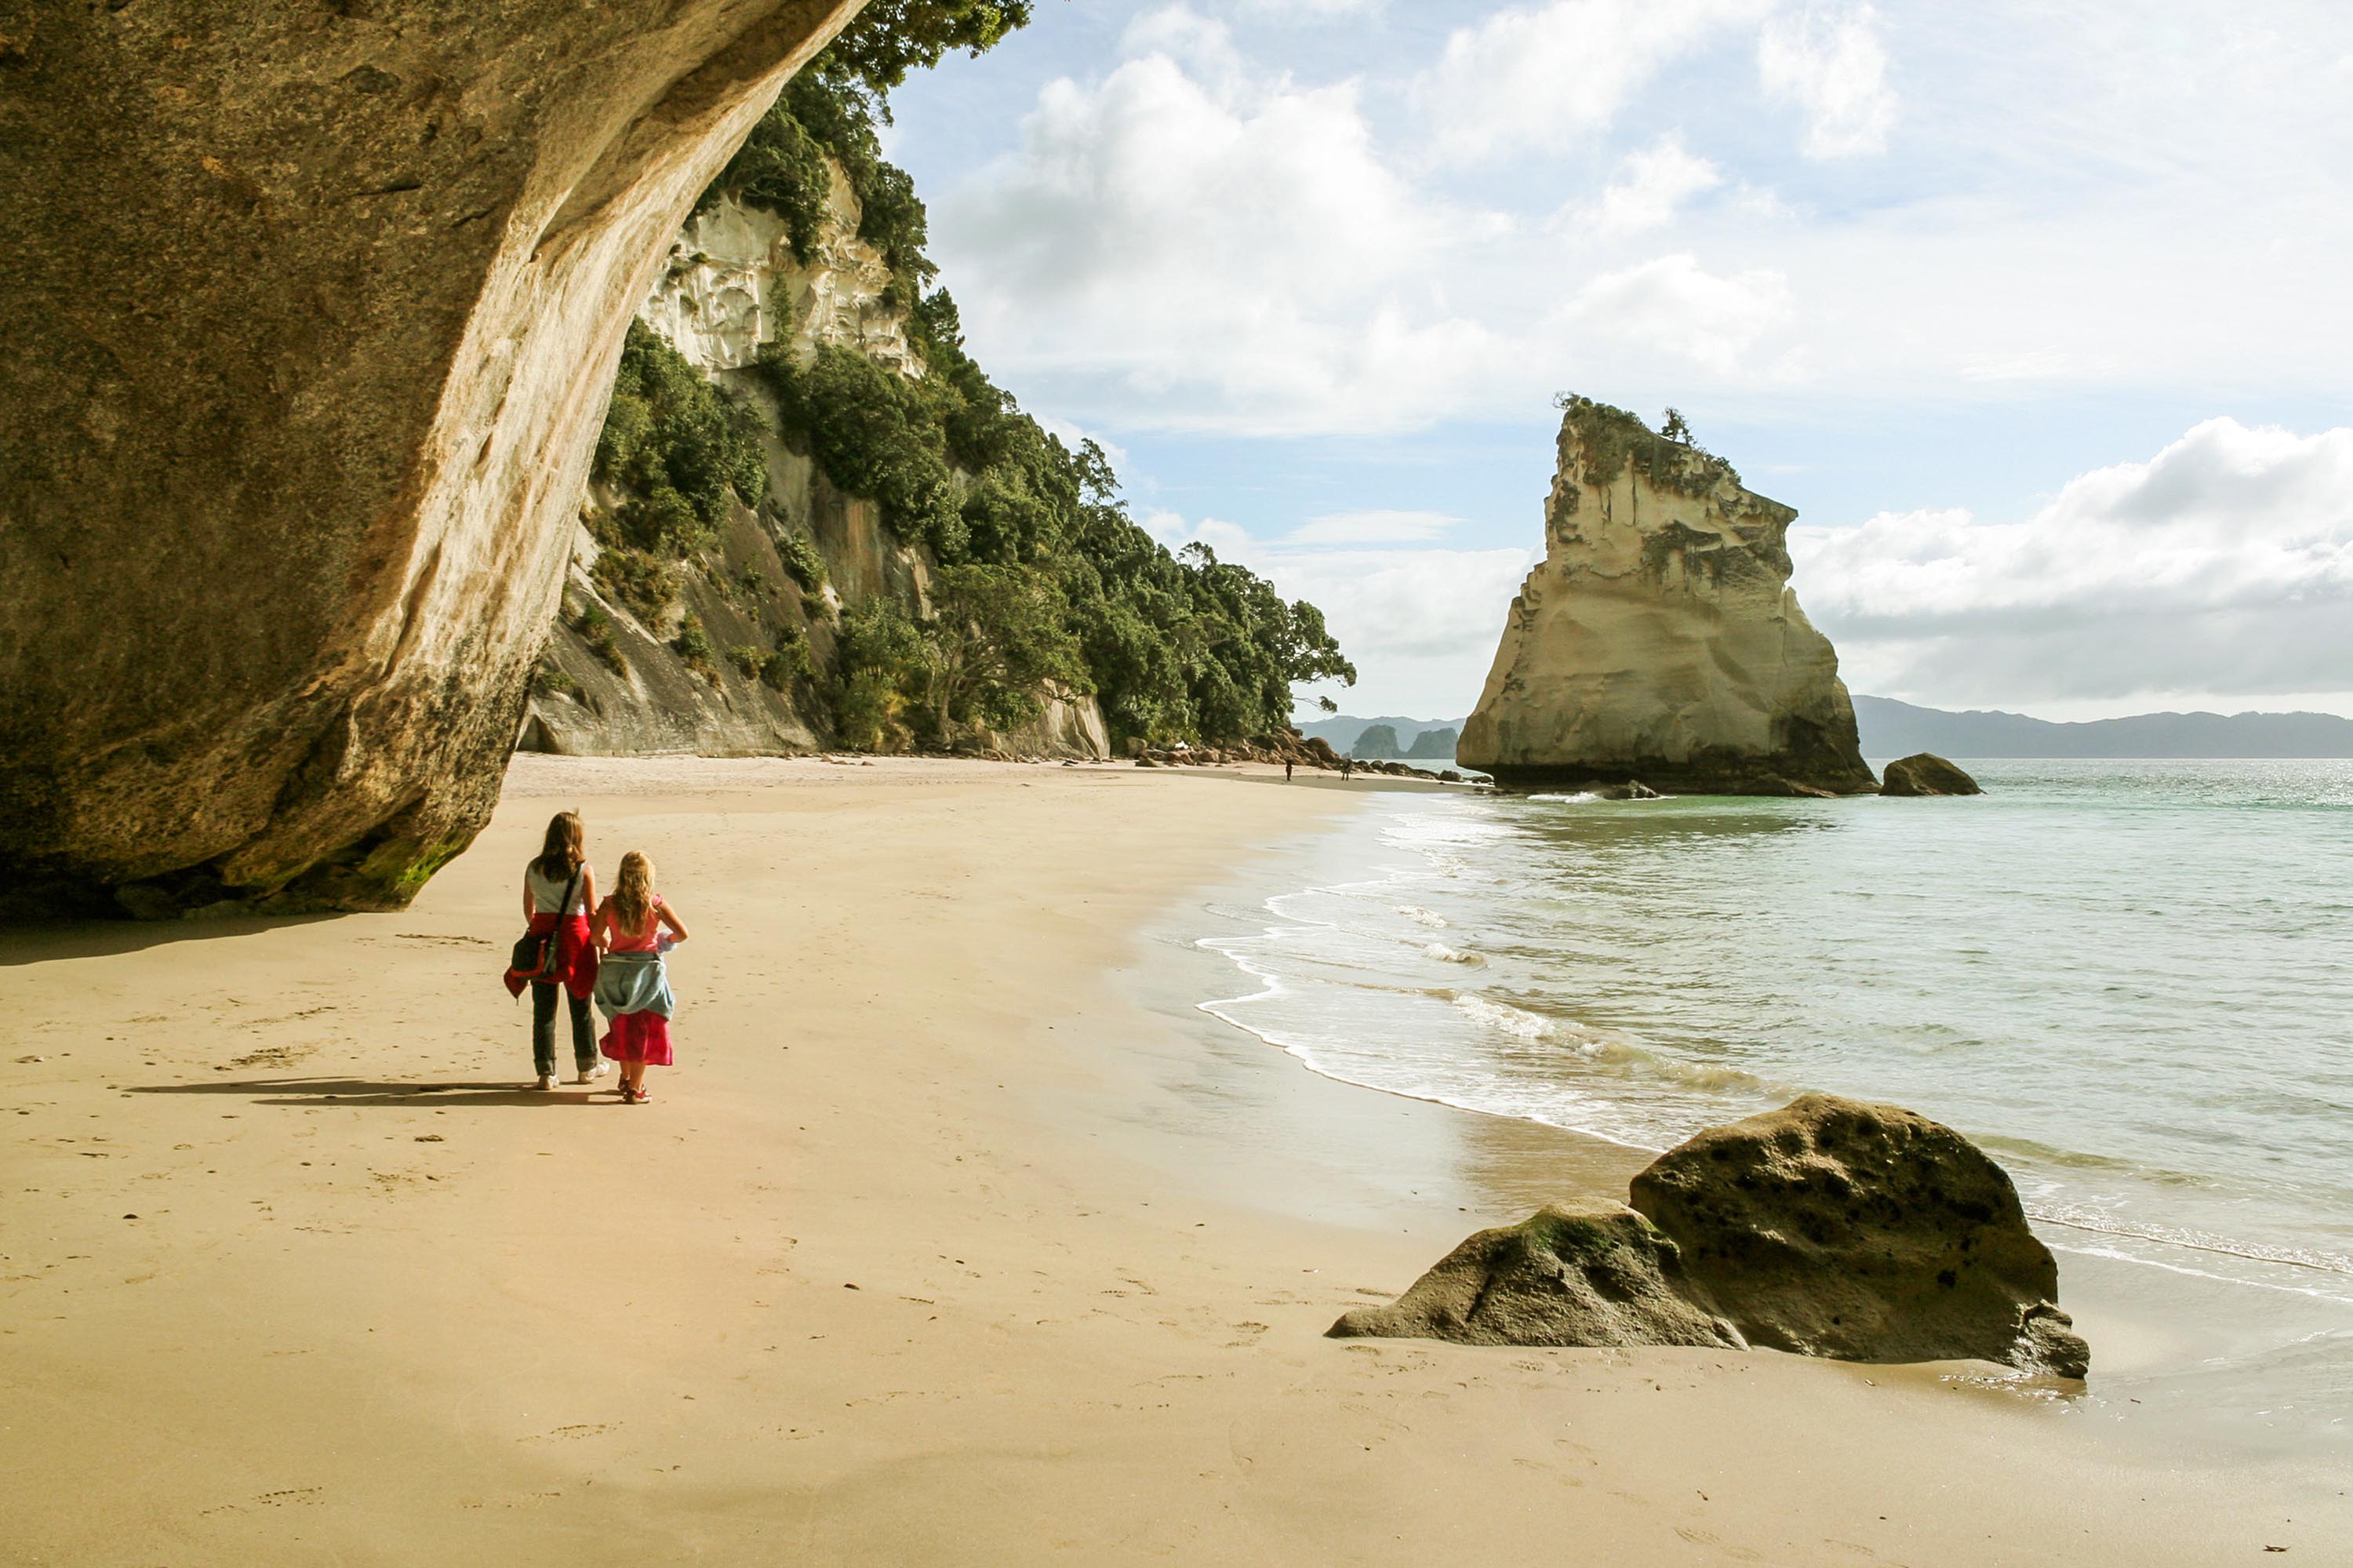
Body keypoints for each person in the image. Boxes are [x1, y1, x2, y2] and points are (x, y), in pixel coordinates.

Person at [503, 811, 608, 1091]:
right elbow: (593, 909)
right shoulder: (584, 869)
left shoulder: (534, 867)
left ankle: (546, 1072)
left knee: (544, 1009)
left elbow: (529, 907)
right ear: (577, 837)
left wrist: (540, 929)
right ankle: (587, 1066)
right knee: (581, 1004)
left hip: (542, 933)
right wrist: (601, 935)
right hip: (576, 937)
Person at [592, 850, 690, 1104]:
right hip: (646, 972)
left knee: (622, 1024)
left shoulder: (609, 904)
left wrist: (605, 942)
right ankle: (635, 1089)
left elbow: (595, 936)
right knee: (643, 1029)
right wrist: (664, 940)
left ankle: (626, 1078)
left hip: (615, 970)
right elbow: (682, 933)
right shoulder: (654, 904)